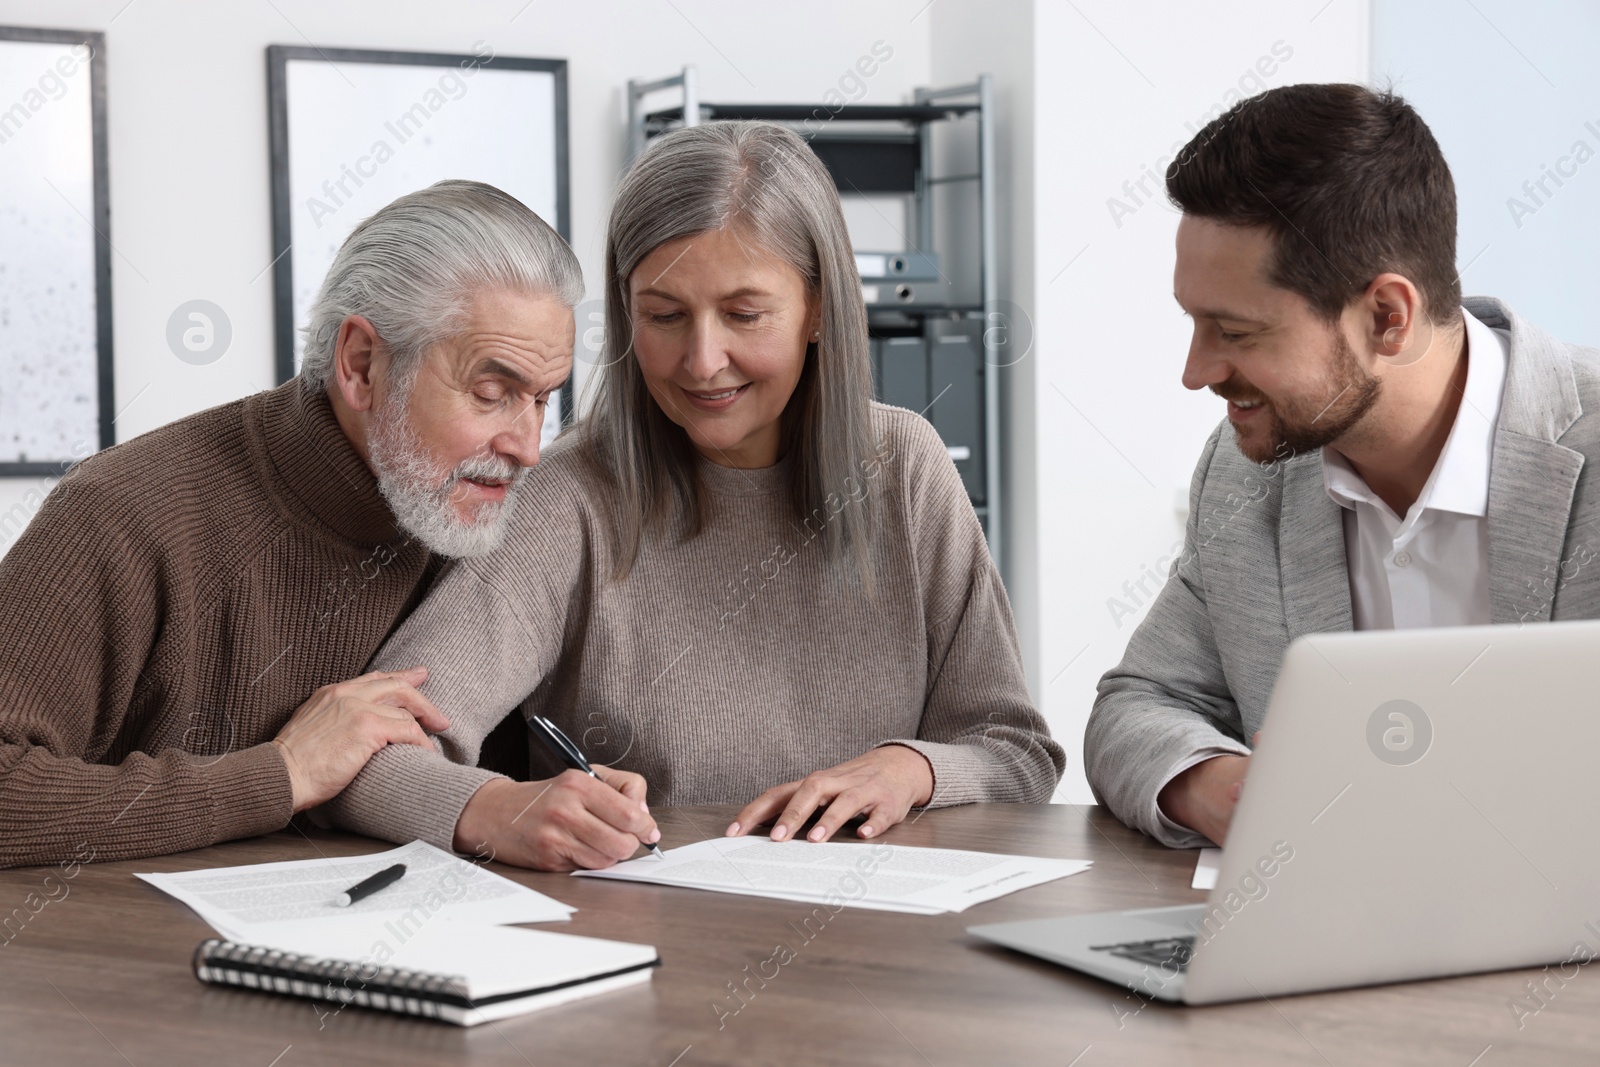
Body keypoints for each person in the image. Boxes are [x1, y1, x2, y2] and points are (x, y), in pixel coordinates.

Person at [320, 121, 1063, 871]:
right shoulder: (567, 495)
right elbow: (371, 754)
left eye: (744, 314)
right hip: (656, 945)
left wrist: (915, 769)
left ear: (817, 309)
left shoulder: (905, 468)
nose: (703, 362)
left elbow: (1017, 754)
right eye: (664, 315)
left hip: (874, 948)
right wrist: (494, 807)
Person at [0, 180, 581, 868]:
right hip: (138, 963)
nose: (527, 445)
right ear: (362, 364)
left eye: (542, 399)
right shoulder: (121, 514)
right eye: (492, 393)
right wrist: (280, 775)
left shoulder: (482, 521)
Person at [1086, 83, 1600, 849]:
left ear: (1386, 317)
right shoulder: (1245, 471)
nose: (1196, 371)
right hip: (1324, 946)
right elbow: (1137, 703)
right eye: (1194, 322)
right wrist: (1219, 787)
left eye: (1233, 330)